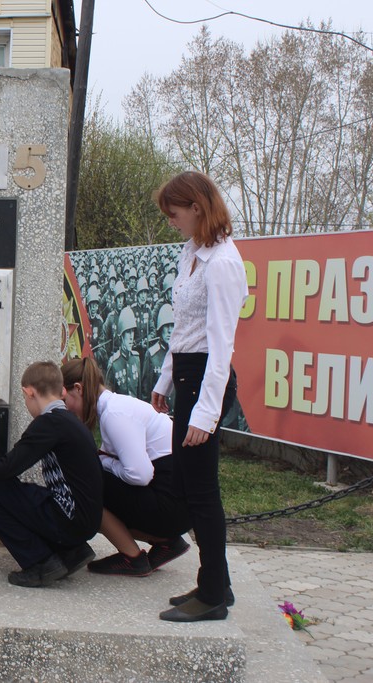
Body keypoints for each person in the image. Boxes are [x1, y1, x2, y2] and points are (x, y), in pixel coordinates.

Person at [151, 171, 247, 623]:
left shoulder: (223, 262)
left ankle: (212, 596)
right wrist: (164, 381)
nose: (171, 221)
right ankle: (216, 583)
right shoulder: (192, 252)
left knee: (202, 493)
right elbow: (183, 329)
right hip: (188, 374)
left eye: (174, 213)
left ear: (197, 207)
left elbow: (221, 343)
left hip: (207, 379)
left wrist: (206, 413)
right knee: (189, 489)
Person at [0, 361, 103, 588]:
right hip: (85, 521)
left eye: (25, 398)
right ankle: (71, 551)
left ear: (29, 393)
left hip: (70, 520)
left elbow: (8, 467)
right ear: (62, 391)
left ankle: (39, 561)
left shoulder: (49, 423)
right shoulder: (70, 420)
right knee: (17, 490)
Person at [60, 357, 191, 577]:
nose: (65, 409)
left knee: (84, 487)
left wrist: (105, 462)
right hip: (177, 502)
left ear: (78, 388)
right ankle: (166, 542)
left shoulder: (114, 413)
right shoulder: (115, 406)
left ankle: (133, 558)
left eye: (65, 401)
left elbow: (140, 475)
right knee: (95, 477)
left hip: (172, 506)